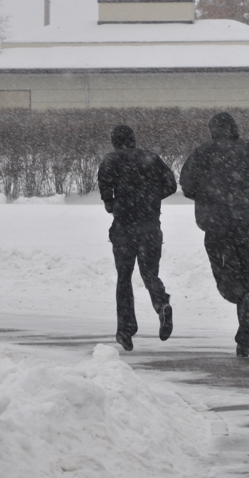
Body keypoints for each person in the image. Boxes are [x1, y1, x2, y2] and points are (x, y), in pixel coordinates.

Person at [180, 113, 249, 357]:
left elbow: (186, 184)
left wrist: (206, 194)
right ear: (235, 128)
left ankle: (242, 300)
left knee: (227, 278)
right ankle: (245, 335)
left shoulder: (203, 152)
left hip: (216, 226)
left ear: (213, 130)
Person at [98, 124, 177, 352]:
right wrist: (151, 198)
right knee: (150, 274)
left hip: (124, 228)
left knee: (124, 277)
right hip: (151, 226)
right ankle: (161, 304)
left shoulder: (111, 160)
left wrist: (115, 204)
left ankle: (126, 329)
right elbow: (171, 184)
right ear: (133, 139)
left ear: (114, 141)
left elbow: (105, 192)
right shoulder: (151, 158)